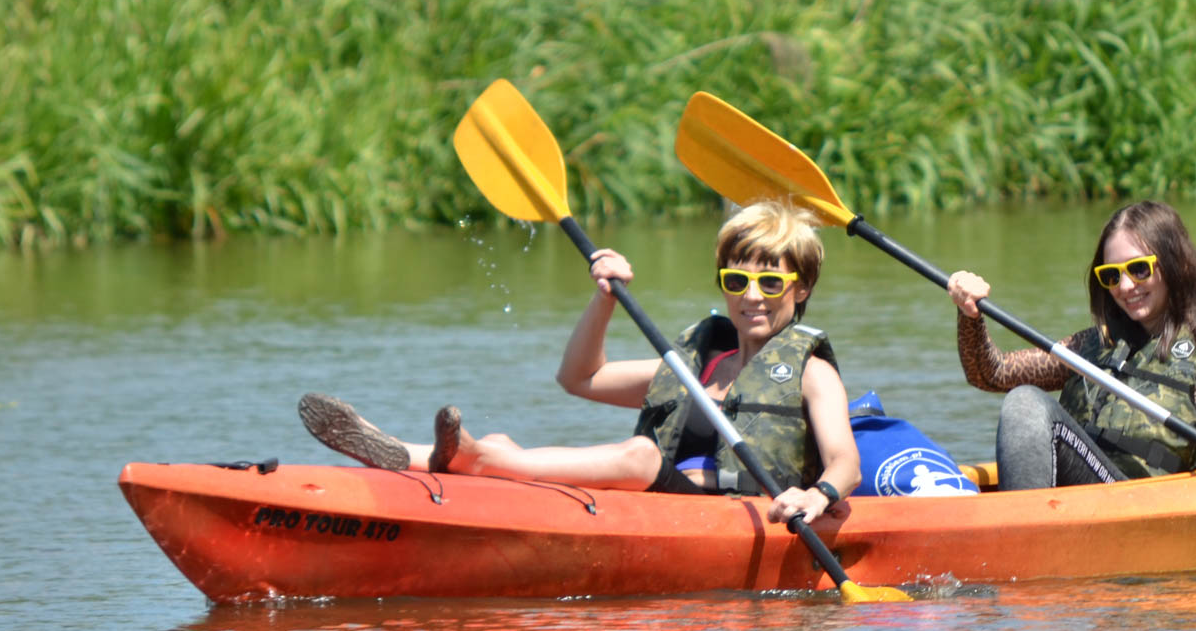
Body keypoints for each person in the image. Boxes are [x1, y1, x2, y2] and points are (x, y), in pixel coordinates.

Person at [300, 200, 860, 527]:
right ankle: (413, 454)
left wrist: (817, 496)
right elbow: (580, 378)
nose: (752, 296)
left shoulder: (811, 372)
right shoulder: (699, 365)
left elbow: (845, 463)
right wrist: (604, 300)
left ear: (801, 288)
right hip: (661, 508)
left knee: (641, 454)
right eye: (737, 280)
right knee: (511, 444)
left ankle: (472, 458)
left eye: (771, 282)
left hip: (740, 515)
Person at [946, 200, 1196, 514]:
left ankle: (1021, 536)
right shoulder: (1093, 346)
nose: (1126, 286)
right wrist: (970, 315)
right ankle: (1021, 527)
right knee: (1023, 401)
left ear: (1176, 265)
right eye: (1111, 276)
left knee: (1025, 403)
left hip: (1153, 508)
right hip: (1088, 496)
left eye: (1138, 269)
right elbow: (991, 373)